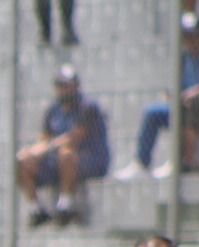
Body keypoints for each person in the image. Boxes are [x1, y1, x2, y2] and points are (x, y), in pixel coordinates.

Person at [15, 65, 110, 228]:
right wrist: (33, 152)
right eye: (60, 86)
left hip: (91, 160)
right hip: (58, 162)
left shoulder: (88, 108)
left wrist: (43, 149)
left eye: (67, 85)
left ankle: (65, 205)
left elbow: (73, 139)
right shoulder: (52, 110)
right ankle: (36, 210)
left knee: (66, 154)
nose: (63, 90)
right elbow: (44, 139)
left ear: (76, 86)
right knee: (23, 160)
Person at [113, 13, 199, 181]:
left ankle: (182, 162)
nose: (190, 40)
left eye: (193, 35)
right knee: (153, 112)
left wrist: (191, 95)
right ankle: (141, 162)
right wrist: (173, 96)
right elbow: (178, 85)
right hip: (184, 106)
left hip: (194, 109)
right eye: (186, 36)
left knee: (188, 109)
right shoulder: (183, 58)